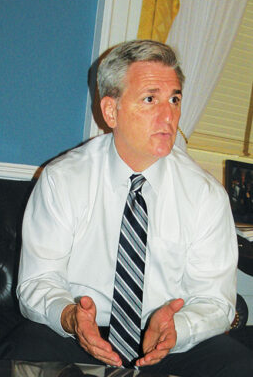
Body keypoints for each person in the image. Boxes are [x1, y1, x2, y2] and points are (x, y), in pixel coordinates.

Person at [13, 40, 252, 376]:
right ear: (111, 111)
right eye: (150, 99)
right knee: (25, 351)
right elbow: (38, 281)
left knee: (238, 365)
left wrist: (177, 329)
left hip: (169, 337)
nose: (168, 115)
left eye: (175, 99)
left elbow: (215, 301)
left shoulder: (205, 194)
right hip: (81, 331)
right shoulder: (63, 179)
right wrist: (70, 317)